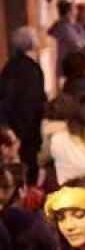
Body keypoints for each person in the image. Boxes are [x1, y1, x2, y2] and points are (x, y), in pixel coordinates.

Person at [0, 27, 48, 185]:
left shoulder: (9, 66)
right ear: (32, 44)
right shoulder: (31, 70)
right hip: (27, 133)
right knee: (28, 172)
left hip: (10, 130)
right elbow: (30, 103)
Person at [47, 0, 85, 74]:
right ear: (69, 12)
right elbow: (80, 43)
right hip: (68, 66)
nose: (76, 12)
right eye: (74, 10)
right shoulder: (65, 27)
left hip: (66, 65)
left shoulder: (63, 25)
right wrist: (80, 27)